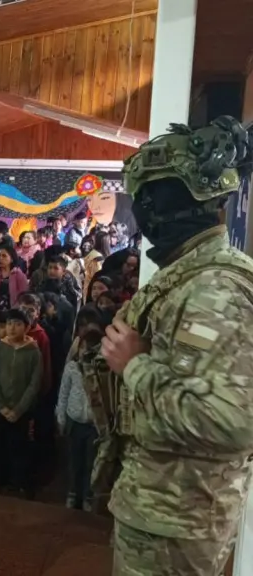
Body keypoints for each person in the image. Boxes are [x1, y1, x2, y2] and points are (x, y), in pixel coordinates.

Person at [97, 117, 253, 576]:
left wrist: (136, 366)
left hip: (177, 522)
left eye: (147, 198)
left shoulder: (213, 289)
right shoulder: (189, 276)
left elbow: (233, 423)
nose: (141, 211)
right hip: (161, 512)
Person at [0, 308, 43, 499]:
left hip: (22, 409)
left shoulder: (33, 352)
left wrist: (19, 409)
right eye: (9, 323)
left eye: (18, 324)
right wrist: (1, 405)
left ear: (26, 328)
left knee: (19, 446)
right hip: (0, 408)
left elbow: (34, 383)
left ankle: (19, 482)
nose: (12, 328)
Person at [57, 306, 103, 512]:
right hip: (75, 420)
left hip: (94, 423)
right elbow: (63, 393)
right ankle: (73, 492)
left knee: (91, 462)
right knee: (74, 461)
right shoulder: (72, 368)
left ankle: (88, 495)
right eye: (85, 347)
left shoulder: (104, 371)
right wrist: (61, 418)